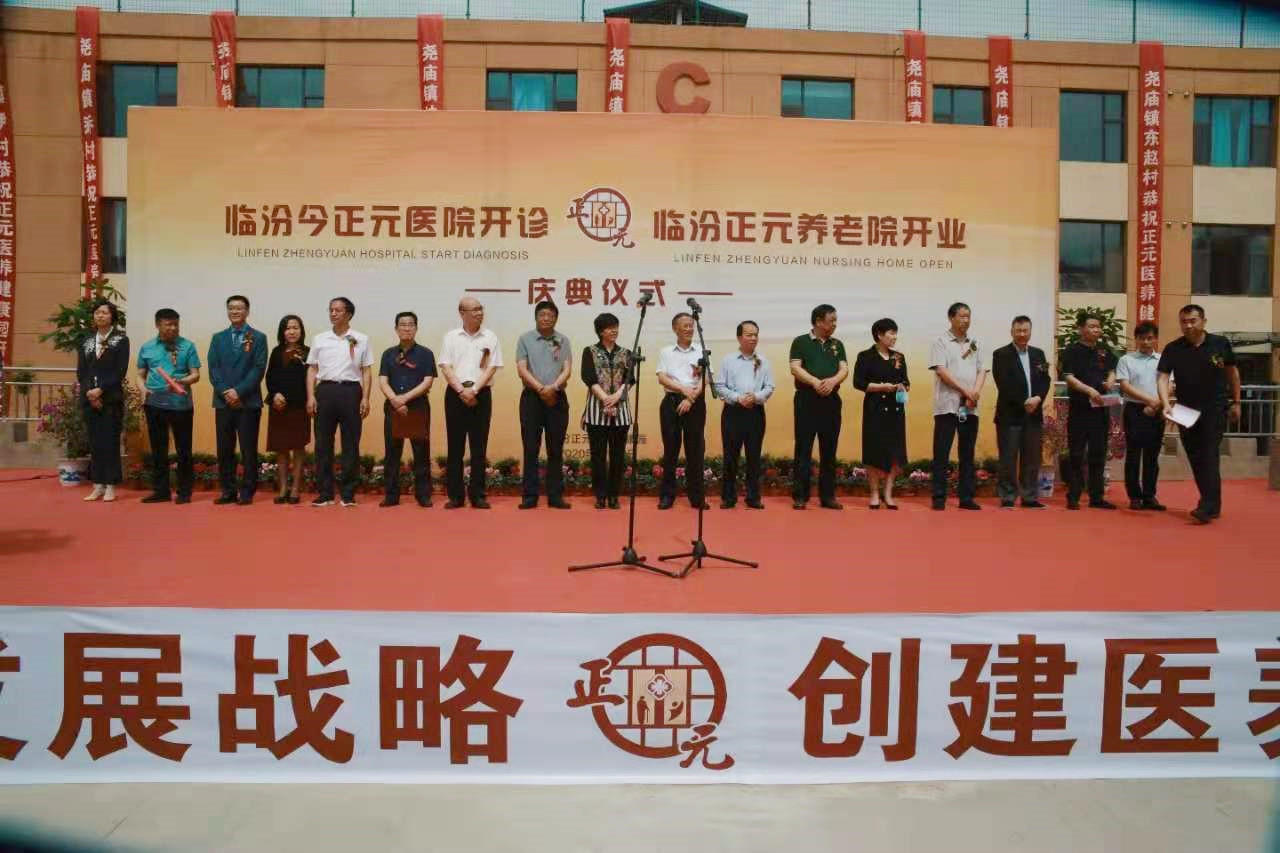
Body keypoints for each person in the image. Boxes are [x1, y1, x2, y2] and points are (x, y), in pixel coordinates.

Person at [1158, 304, 1241, 524]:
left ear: (1203, 321)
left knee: (1209, 455)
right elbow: (1163, 377)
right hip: (1184, 410)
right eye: (1184, 321)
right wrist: (1166, 404)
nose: (1188, 325)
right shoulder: (1173, 348)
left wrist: (1237, 401)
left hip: (1215, 408)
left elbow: (1232, 373)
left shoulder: (1219, 344)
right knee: (1195, 457)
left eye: (1192, 321)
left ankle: (1206, 506)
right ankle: (1212, 504)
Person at [305, 297, 372, 507]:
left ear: (349, 314)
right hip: (325, 391)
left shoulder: (361, 338)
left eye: (338, 310)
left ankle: (348, 493)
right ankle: (325, 493)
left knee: (351, 443)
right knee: (323, 444)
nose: (333, 313)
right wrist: (311, 396)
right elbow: (312, 369)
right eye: (331, 310)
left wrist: (366, 397)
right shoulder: (320, 339)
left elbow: (366, 370)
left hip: (351, 391)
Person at [439, 296, 503, 509]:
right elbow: (446, 367)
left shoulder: (490, 337)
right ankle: (456, 496)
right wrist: (461, 390)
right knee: (455, 447)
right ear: (462, 313)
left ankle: (478, 495)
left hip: (481, 394)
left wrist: (474, 390)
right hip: (455, 394)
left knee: (479, 447)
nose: (479, 313)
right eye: (474, 309)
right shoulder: (451, 337)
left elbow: (492, 367)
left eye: (480, 309)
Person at [207, 295, 268, 506]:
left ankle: (247, 491)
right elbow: (213, 369)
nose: (235, 311)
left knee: (248, 449)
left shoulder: (258, 337)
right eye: (231, 308)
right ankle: (228, 490)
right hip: (223, 402)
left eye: (239, 308)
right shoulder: (218, 338)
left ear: (247, 311)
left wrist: (238, 392)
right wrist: (226, 391)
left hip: (248, 402)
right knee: (224, 449)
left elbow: (258, 369)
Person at [136, 308, 201, 504]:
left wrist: (182, 382)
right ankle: (161, 491)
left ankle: (184, 492)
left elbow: (195, 374)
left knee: (183, 450)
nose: (173, 328)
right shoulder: (147, 347)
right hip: (154, 404)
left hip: (180, 405)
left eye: (176, 324)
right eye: (168, 324)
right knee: (159, 450)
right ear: (158, 325)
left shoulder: (188, 346)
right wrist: (143, 389)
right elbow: (140, 375)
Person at [789, 304, 848, 510]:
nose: (835, 324)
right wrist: (815, 382)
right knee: (803, 448)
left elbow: (844, 369)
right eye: (831, 320)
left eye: (835, 320)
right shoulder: (801, 341)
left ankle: (828, 496)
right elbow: (795, 368)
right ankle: (800, 496)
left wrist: (832, 381)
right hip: (806, 399)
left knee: (829, 449)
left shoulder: (837, 344)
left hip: (831, 400)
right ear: (818, 321)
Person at [515, 301, 572, 510]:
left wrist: (553, 388)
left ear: (556, 318)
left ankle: (555, 496)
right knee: (531, 448)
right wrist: (541, 389)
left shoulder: (562, 340)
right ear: (536, 317)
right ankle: (530, 496)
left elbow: (567, 369)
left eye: (550, 315)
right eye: (542, 314)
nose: (546, 318)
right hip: (532, 398)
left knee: (555, 449)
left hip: (557, 398)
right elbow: (522, 369)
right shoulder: (525, 339)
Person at [929, 302, 986, 510]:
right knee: (941, 452)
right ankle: (939, 497)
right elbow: (941, 371)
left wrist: (975, 392)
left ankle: (966, 497)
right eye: (962, 316)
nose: (966, 320)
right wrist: (965, 391)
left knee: (967, 453)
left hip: (970, 406)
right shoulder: (941, 341)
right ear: (951, 318)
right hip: (947, 405)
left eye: (968, 316)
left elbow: (982, 370)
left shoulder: (975, 342)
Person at [991, 315, 1052, 509]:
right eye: (1018, 330)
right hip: (1010, 415)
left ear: (1030, 332)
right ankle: (1008, 497)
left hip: (1033, 414)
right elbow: (1003, 383)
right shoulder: (1001, 354)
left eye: (1026, 330)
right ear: (1012, 332)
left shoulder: (1038, 354)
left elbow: (1045, 380)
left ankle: (1029, 497)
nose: (1022, 334)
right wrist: (1024, 402)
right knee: (1008, 459)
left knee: (1032, 458)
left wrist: (1038, 398)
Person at [1059, 311, 1118, 510]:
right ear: (1081, 329)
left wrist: (1110, 381)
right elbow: (1068, 377)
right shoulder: (1071, 350)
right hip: (1080, 409)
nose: (1096, 330)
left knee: (1098, 454)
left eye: (1098, 327)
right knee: (1076, 454)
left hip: (1100, 409)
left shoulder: (1104, 350)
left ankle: (1096, 497)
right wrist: (1089, 390)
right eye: (1092, 326)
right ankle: (1073, 496)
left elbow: (1112, 370)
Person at [378, 311, 436, 508]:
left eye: (410, 324)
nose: (406, 328)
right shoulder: (388, 354)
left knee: (421, 452)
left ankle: (423, 495)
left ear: (416, 328)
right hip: (393, 407)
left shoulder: (426, 354)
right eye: (402, 325)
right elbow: (383, 380)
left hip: (417, 406)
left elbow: (427, 381)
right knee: (392, 453)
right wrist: (395, 399)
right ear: (396, 329)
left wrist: (404, 398)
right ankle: (391, 495)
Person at [714, 320, 774, 510]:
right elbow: (719, 386)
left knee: (754, 456)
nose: (753, 338)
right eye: (749, 335)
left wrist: (755, 397)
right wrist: (738, 398)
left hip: (755, 412)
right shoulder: (728, 360)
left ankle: (753, 497)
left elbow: (769, 387)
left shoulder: (764, 361)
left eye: (756, 335)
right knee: (730, 456)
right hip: (733, 412)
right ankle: (728, 497)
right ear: (739, 337)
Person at [852, 318, 909, 510]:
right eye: (891, 333)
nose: (895, 337)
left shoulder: (899, 357)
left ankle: (888, 493)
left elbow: (906, 381)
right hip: (874, 409)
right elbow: (858, 383)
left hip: (896, 410)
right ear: (879, 335)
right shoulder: (865, 356)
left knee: (895, 451)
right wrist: (882, 387)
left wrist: (902, 386)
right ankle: (875, 493)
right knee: (873, 450)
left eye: (895, 333)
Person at [77, 299, 129, 503]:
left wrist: (101, 390)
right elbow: (81, 372)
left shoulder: (121, 340)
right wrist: (90, 393)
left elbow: (120, 371)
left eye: (105, 312)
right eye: (97, 312)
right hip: (89, 399)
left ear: (112, 316)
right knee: (95, 443)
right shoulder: (87, 341)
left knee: (110, 442)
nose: (100, 315)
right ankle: (97, 485)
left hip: (111, 399)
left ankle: (110, 485)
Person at [581, 312, 634, 510]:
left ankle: (614, 495)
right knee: (598, 456)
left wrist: (616, 397)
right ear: (600, 331)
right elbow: (588, 377)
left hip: (621, 410)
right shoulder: (590, 351)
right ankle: (600, 496)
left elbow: (630, 379)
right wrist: (605, 399)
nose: (614, 331)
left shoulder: (626, 353)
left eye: (616, 327)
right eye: (609, 328)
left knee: (618, 456)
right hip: (597, 409)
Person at [656, 312, 708, 510]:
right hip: (671, 402)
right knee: (670, 450)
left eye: (691, 325)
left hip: (695, 402)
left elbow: (706, 378)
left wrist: (690, 398)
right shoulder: (666, 352)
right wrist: (683, 390)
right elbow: (662, 378)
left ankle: (697, 497)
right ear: (675, 328)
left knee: (695, 450)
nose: (689, 329)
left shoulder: (701, 350)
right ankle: (667, 495)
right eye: (685, 325)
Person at [1116, 321, 1165, 511]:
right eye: (1142, 338)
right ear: (1136, 339)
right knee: (1134, 455)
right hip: (1135, 410)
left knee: (1152, 455)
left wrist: (1157, 404)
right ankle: (1134, 496)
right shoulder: (1126, 360)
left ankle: (1149, 496)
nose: (1145, 342)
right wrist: (1149, 401)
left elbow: (1168, 385)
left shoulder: (1163, 360)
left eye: (1149, 338)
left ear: (1156, 339)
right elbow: (1125, 386)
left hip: (1157, 410)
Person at [265, 314, 310, 504]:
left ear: (301, 331)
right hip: (279, 406)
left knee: (299, 447)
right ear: (282, 332)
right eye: (288, 328)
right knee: (281, 448)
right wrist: (275, 394)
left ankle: (295, 489)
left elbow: (311, 379)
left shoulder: (308, 352)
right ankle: (283, 488)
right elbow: (269, 377)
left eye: (295, 328)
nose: (292, 331)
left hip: (299, 406)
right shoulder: (276, 352)